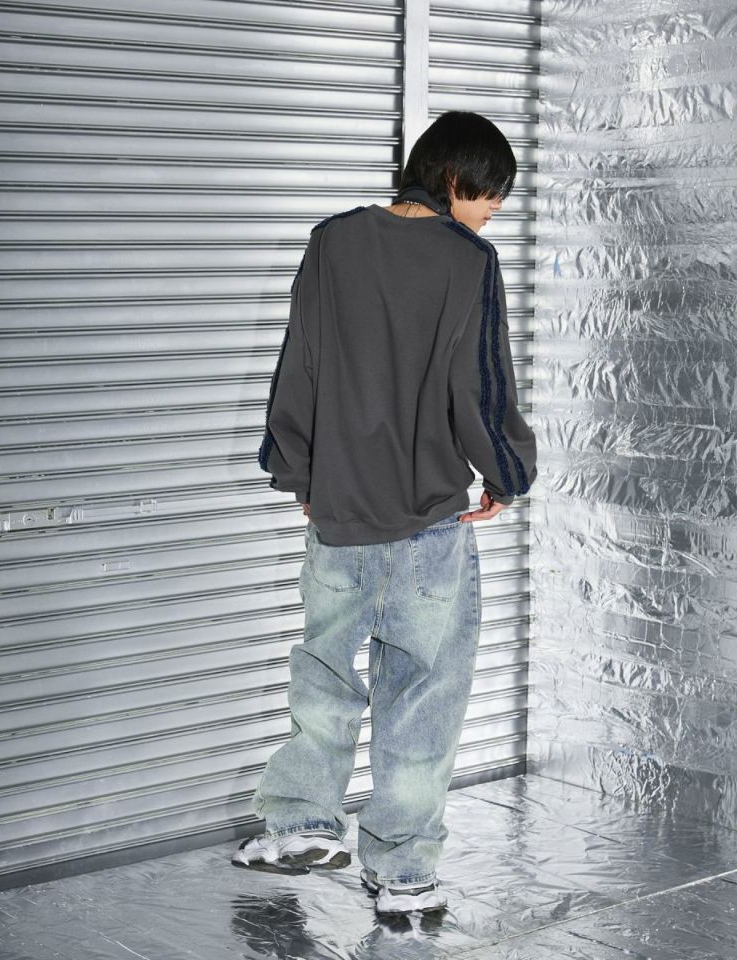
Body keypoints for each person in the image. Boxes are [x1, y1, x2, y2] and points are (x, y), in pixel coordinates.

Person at [231, 111, 538, 916]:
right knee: (422, 696)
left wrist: (298, 471)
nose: (492, 213)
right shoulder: (469, 261)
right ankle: (402, 875)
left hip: (339, 514)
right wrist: (507, 473)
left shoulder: (331, 241)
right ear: (454, 179)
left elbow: (299, 366)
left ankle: (302, 820)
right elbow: (482, 388)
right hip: (430, 525)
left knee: (325, 670)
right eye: (490, 196)